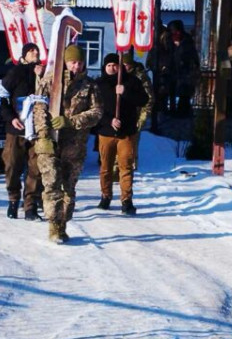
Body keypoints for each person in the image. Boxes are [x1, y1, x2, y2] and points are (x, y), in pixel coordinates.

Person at [33, 45, 102, 243]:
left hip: (75, 145)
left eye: (79, 62)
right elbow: (39, 109)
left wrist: (72, 121)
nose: (76, 66)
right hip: (50, 143)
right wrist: (44, 135)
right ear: (65, 62)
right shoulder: (50, 82)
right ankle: (53, 226)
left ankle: (63, 225)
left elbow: (97, 113)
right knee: (51, 183)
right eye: (72, 62)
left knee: (68, 188)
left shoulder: (90, 86)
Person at [95, 53, 149, 215]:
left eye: (115, 65)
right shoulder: (98, 84)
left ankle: (126, 200)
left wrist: (125, 92)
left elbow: (143, 100)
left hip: (126, 132)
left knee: (126, 166)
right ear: (104, 67)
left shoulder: (132, 82)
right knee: (106, 167)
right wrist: (109, 120)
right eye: (109, 65)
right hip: (106, 132)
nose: (112, 68)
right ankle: (105, 196)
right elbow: (95, 108)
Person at [0, 42, 44, 220]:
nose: (35, 53)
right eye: (31, 50)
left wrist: (41, 77)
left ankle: (30, 206)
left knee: (36, 168)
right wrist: (11, 118)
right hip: (17, 128)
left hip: (38, 129)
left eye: (37, 51)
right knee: (12, 165)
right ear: (24, 55)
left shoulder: (45, 72)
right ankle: (13, 200)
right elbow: (1, 98)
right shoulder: (14, 73)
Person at [122, 50, 153, 167]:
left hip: (135, 116)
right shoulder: (118, 75)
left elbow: (149, 99)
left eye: (126, 65)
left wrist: (142, 119)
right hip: (119, 116)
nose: (124, 67)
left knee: (131, 143)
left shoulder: (140, 77)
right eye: (122, 65)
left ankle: (130, 167)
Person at [166, 20, 199, 117]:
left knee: (184, 92)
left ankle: (183, 111)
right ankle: (172, 109)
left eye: (175, 30)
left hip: (185, 70)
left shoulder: (187, 40)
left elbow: (193, 54)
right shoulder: (169, 40)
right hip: (172, 69)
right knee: (171, 90)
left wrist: (193, 64)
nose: (174, 33)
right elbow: (169, 53)